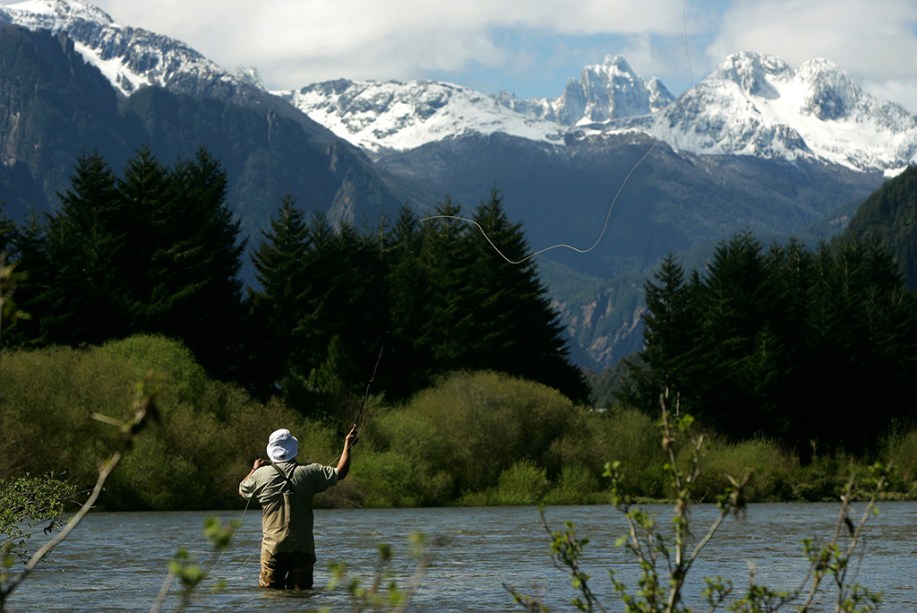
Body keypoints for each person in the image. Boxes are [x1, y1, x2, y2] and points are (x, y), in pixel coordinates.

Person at [239, 425, 358, 590]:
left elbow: (243, 489)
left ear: (271, 451)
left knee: (271, 598)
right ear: (294, 449)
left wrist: (254, 469)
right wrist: (348, 444)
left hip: (273, 549)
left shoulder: (261, 475)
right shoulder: (310, 472)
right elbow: (340, 473)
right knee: (302, 598)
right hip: (303, 549)